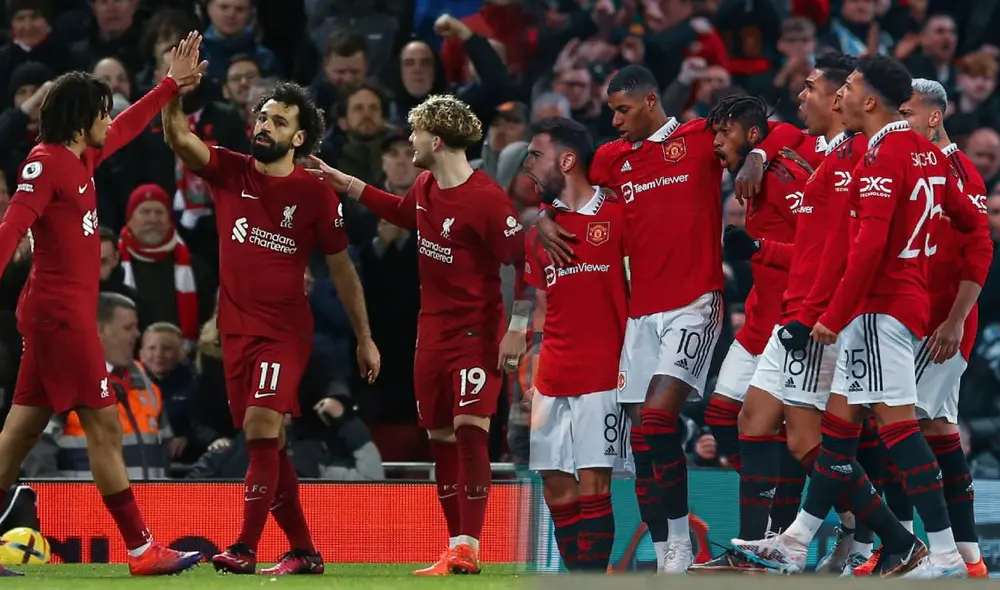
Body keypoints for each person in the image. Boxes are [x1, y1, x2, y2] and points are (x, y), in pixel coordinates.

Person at [533, 63, 803, 572]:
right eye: (612, 112)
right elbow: (569, 185)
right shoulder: (611, 158)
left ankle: (682, 541)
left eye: (622, 110)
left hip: (695, 303)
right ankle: (666, 558)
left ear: (650, 102)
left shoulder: (700, 137)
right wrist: (546, 214)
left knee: (657, 421)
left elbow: (782, 130)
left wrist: (757, 156)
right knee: (641, 443)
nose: (615, 121)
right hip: (640, 315)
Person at [732, 53, 989, 579]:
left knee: (901, 432)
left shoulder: (882, 157)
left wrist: (830, 315)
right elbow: (977, 232)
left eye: (847, 86)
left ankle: (943, 554)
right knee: (839, 430)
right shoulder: (926, 154)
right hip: (900, 307)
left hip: (878, 310)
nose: (840, 95)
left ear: (869, 100)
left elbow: (866, 249)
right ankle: (796, 540)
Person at [0, 32, 206, 577]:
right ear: (83, 117)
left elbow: (132, 125)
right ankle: (141, 549)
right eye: (103, 111)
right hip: (61, 320)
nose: (109, 120)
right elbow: (13, 226)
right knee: (105, 427)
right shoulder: (44, 163)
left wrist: (170, 85)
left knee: (18, 434)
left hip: (54, 316)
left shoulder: (81, 156)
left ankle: (142, 550)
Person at [161, 72, 382, 574]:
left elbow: (342, 270)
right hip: (233, 333)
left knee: (262, 426)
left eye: (279, 121)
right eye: (262, 117)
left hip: (284, 332)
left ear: (299, 138)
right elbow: (178, 137)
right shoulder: (229, 170)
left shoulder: (315, 194)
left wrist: (365, 338)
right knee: (269, 447)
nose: (265, 125)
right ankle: (304, 551)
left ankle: (243, 547)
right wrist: (173, 88)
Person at [308, 94, 526, 576]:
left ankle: (470, 546)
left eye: (416, 132)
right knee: (440, 436)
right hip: (431, 333)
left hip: (475, 331)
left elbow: (523, 261)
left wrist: (517, 327)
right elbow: (405, 213)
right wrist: (347, 184)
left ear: (438, 140)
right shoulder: (427, 186)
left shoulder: (488, 199)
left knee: (470, 430)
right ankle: (455, 547)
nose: (410, 141)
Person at [687, 95, 805, 573]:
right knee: (721, 414)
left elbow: (819, 254)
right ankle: (769, 525)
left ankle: (767, 538)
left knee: (786, 435)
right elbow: (786, 132)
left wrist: (759, 247)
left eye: (725, 132)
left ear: (752, 134)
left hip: (789, 323)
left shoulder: (784, 177)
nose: (716, 141)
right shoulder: (755, 167)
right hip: (758, 322)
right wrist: (756, 154)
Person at [893, 78, 992, 578]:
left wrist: (954, 322)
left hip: (943, 328)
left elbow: (979, 252)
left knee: (893, 426)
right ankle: (971, 559)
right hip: (916, 320)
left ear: (934, 117)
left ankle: (910, 548)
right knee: (937, 430)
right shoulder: (917, 165)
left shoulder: (959, 172)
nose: (900, 123)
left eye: (907, 114)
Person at [520, 117, 626, 572]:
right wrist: (529, 368)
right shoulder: (538, 233)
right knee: (556, 484)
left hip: (604, 371)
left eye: (535, 155)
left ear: (566, 161)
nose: (527, 165)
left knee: (594, 486)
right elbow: (537, 305)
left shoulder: (620, 215)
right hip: (552, 372)